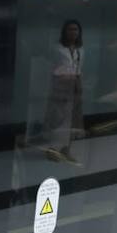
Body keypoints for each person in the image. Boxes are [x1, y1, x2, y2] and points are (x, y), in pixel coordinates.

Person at [42, 19, 85, 163]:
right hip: (59, 87)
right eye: (70, 29)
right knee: (57, 119)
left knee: (71, 121)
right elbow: (52, 68)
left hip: (74, 87)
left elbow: (78, 69)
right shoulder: (57, 49)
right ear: (65, 32)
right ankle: (52, 149)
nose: (73, 32)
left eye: (76, 30)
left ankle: (66, 150)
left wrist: (79, 86)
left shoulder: (80, 50)